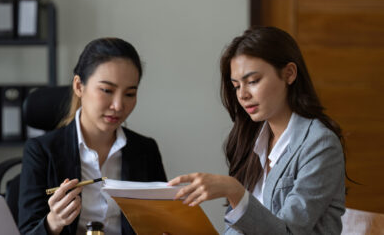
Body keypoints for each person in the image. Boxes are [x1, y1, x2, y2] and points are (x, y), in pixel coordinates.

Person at [168, 26, 346, 234]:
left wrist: (235, 192)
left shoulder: (320, 144)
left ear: (289, 74)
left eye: (252, 81)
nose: (242, 95)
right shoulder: (249, 140)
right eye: (236, 86)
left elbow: (288, 232)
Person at [19, 37, 167, 235]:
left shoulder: (145, 150)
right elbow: (28, 231)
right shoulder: (41, 151)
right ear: (79, 86)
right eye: (107, 90)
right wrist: (54, 221)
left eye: (129, 94)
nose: (118, 105)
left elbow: (162, 224)